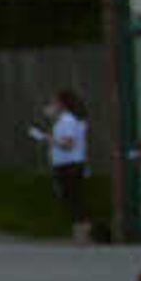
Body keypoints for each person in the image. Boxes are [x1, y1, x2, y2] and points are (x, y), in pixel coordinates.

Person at [35, 89, 94, 240]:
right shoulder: (66, 120)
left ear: (62, 104)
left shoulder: (68, 120)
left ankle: (82, 230)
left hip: (69, 164)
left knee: (73, 198)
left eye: (54, 103)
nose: (51, 106)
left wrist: (46, 138)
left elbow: (68, 144)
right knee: (72, 197)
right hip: (68, 163)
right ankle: (81, 229)